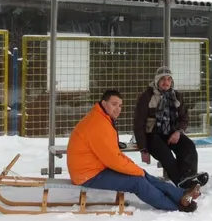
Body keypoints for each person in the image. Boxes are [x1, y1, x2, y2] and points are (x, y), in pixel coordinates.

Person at [66, 89, 198, 212]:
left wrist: (134, 168)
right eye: (114, 104)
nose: (117, 109)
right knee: (137, 181)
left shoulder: (102, 119)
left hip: (95, 168)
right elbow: (113, 159)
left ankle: (180, 195)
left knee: (142, 174)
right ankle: (176, 206)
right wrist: (135, 170)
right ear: (104, 103)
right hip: (87, 175)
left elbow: (112, 155)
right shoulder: (98, 124)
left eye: (120, 106)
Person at [133, 66, 205, 189]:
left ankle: (189, 175)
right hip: (152, 135)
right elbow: (138, 123)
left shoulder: (176, 96)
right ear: (157, 81)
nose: (166, 82)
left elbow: (184, 118)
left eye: (169, 79)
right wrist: (143, 148)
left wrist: (178, 132)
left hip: (172, 133)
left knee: (188, 147)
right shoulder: (146, 96)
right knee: (167, 157)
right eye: (162, 79)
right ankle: (182, 183)